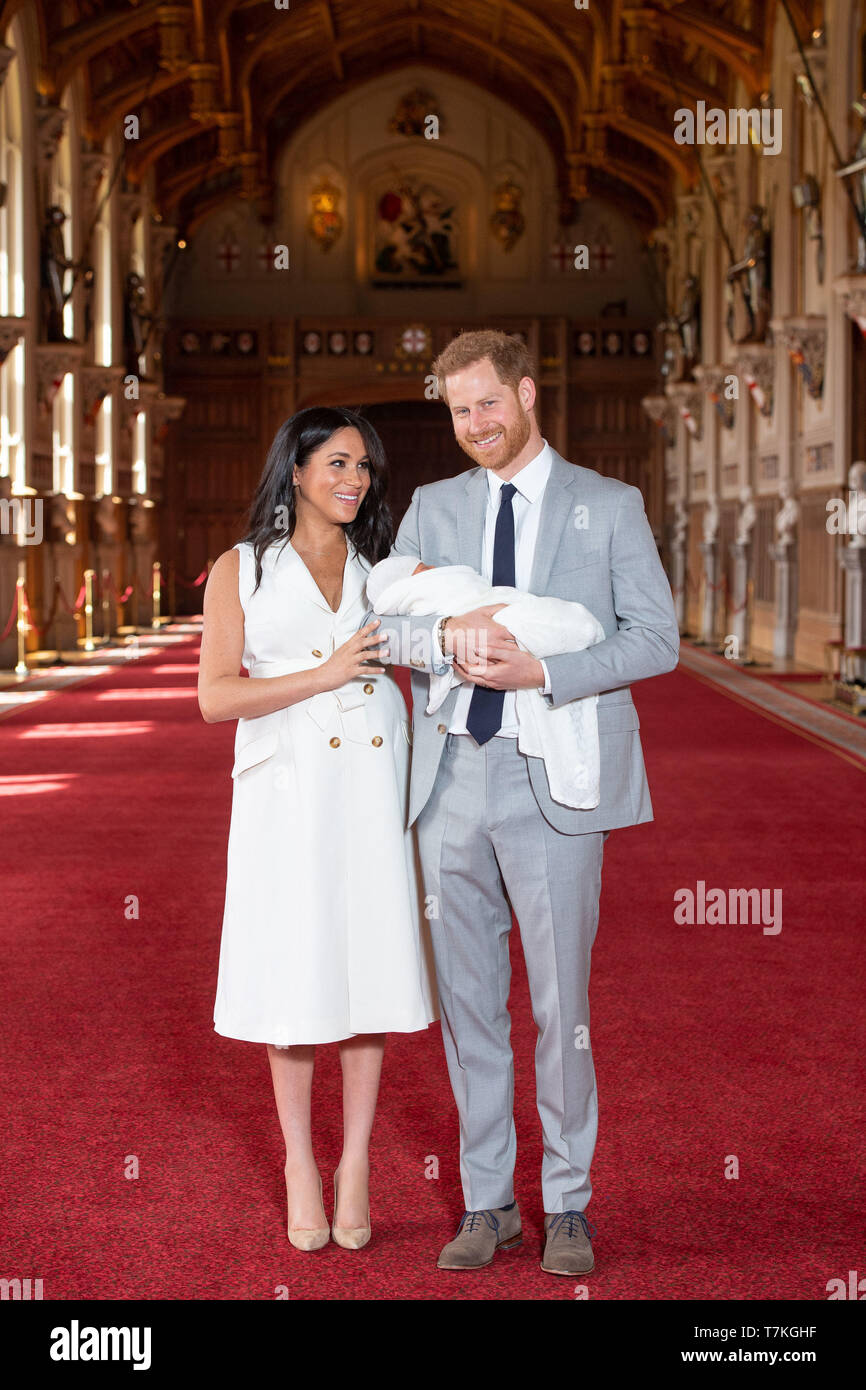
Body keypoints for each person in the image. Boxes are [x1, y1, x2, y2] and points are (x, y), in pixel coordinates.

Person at [362, 330, 679, 1276]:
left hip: (555, 781)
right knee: (469, 1006)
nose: (473, 426)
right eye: (458, 411)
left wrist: (543, 666)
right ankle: (488, 1201)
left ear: (526, 393)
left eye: (486, 404)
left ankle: (569, 1204)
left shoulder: (608, 505)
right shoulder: (432, 506)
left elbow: (655, 640)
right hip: (452, 779)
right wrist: (447, 639)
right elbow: (389, 629)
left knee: (558, 1002)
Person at [198, 406, 437, 1253]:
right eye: (337, 462)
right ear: (295, 471)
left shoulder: (385, 570)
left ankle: (358, 1162)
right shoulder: (243, 569)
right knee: (296, 977)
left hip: (372, 780)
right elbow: (216, 697)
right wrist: (322, 673)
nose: (354, 479)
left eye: (364, 466)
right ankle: (302, 1159)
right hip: (286, 791)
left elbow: (436, 640)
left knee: (367, 968)